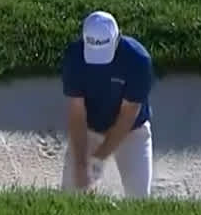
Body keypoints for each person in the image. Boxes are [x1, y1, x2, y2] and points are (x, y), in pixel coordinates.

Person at [61, 10, 155, 199]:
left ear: (117, 39)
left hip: (132, 132)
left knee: (139, 198)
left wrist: (98, 159)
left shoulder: (138, 60)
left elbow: (128, 116)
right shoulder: (74, 58)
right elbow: (77, 114)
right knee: (70, 198)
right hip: (89, 129)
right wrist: (81, 163)